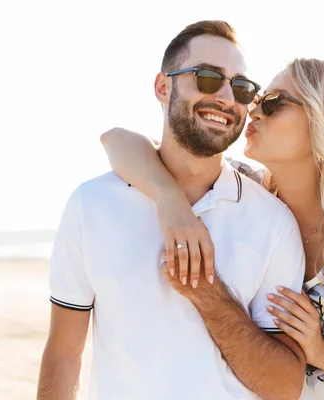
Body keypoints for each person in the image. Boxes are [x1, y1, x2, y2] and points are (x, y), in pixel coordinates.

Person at [100, 58, 324, 399]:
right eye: (256, 100)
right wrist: (169, 201)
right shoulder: (247, 192)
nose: (252, 111)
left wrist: (321, 352)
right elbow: (117, 140)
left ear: (323, 121)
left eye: (273, 103)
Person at [37, 20, 308, 400]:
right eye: (208, 78)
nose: (228, 99)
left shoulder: (273, 222)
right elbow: (64, 354)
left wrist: (208, 294)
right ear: (163, 88)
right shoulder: (91, 205)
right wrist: (169, 200)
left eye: (242, 88)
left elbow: (285, 386)